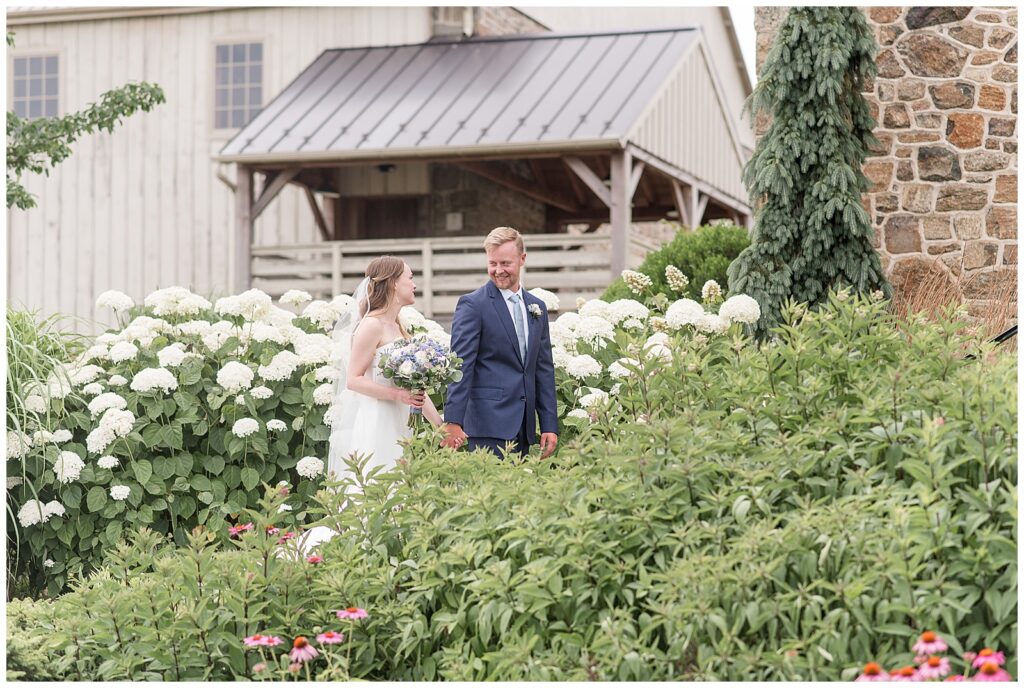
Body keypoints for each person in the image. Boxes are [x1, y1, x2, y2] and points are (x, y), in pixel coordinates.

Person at [302, 256, 443, 551]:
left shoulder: (400, 327)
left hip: (401, 421)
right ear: (393, 283)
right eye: (410, 278)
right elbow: (353, 379)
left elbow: (415, 388)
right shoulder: (371, 326)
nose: (415, 284)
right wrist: (398, 396)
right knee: (377, 488)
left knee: (401, 486)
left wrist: (441, 426)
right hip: (378, 418)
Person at [442, 227, 559, 459]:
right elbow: (460, 366)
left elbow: (543, 369)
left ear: (522, 259)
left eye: (505, 263)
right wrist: (452, 421)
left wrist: (548, 424)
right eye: (492, 263)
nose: (498, 271)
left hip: (525, 428)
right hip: (487, 426)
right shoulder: (473, 305)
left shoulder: (537, 307)